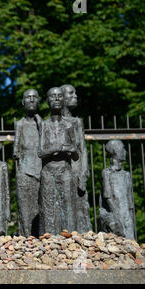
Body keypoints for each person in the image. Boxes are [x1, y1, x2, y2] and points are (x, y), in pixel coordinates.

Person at [38, 87, 77, 235]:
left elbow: (76, 154)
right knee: (48, 208)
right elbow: (40, 152)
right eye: (52, 96)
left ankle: (69, 239)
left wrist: (72, 150)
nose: (56, 99)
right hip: (48, 172)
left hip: (65, 171)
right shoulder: (44, 125)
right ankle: (49, 240)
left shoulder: (69, 125)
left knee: (68, 207)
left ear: (63, 100)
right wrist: (57, 147)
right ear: (48, 101)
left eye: (59, 96)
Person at [60, 84, 92, 233]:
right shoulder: (52, 123)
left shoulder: (77, 122)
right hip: (60, 172)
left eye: (75, 93)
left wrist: (84, 171)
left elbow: (83, 148)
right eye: (71, 93)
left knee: (81, 207)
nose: (75, 96)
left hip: (77, 169)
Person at [13, 89, 42, 237]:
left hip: (41, 172)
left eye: (34, 97)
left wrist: (41, 125)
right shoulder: (19, 124)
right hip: (24, 172)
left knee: (40, 208)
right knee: (25, 210)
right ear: (23, 102)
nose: (31, 100)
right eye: (28, 97)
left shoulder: (43, 124)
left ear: (38, 100)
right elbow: (16, 151)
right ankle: (25, 238)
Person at [99, 140, 136, 240]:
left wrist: (130, 220)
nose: (125, 151)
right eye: (122, 148)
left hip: (127, 219)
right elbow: (108, 197)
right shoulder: (107, 173)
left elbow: (130, 202)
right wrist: (118, 218)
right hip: (116, 218)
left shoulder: (126, 175)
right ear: (115, 151)